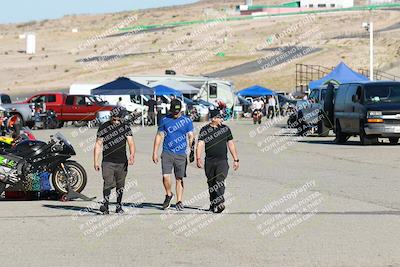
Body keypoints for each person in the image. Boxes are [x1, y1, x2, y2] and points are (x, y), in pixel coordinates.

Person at [152, 99, 194, 211]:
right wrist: (155, 152)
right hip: (167, 152)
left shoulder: (187, 121)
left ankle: (179, 201)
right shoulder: (164, 120)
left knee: (179, 178)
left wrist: (192, 150)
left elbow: (190, 136)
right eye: (174, 111)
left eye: (178, 111)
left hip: (181, 153)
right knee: (165, 176)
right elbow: (159, 136)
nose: (176, 114)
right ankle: (168, 194)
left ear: (180, 109)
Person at [196, 107, 239, 213]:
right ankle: (213, 202)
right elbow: (200, 144)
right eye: (219, 117)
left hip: (222, 161)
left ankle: (220, 202)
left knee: (219, 181)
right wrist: (198, 158)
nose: (221, 119)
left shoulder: (225, 129)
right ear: (213, 118)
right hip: (209, 161)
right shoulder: (205, 130)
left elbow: (231, 144)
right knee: (211, 183)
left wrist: (236, 159)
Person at [94, 106, 135, 214]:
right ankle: (106, 205)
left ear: (121, 118)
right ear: (111, 117)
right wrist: (95, 161)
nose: (116, 121)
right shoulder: (104, 127)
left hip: (122, 161)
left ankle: (118, 206)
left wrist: (132, 155)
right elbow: (98, 144)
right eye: (114, 119)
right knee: (107, 182)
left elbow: (131, 142)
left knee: (120, 185)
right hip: (108, 161)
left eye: (118, 119)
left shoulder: (125, 127)